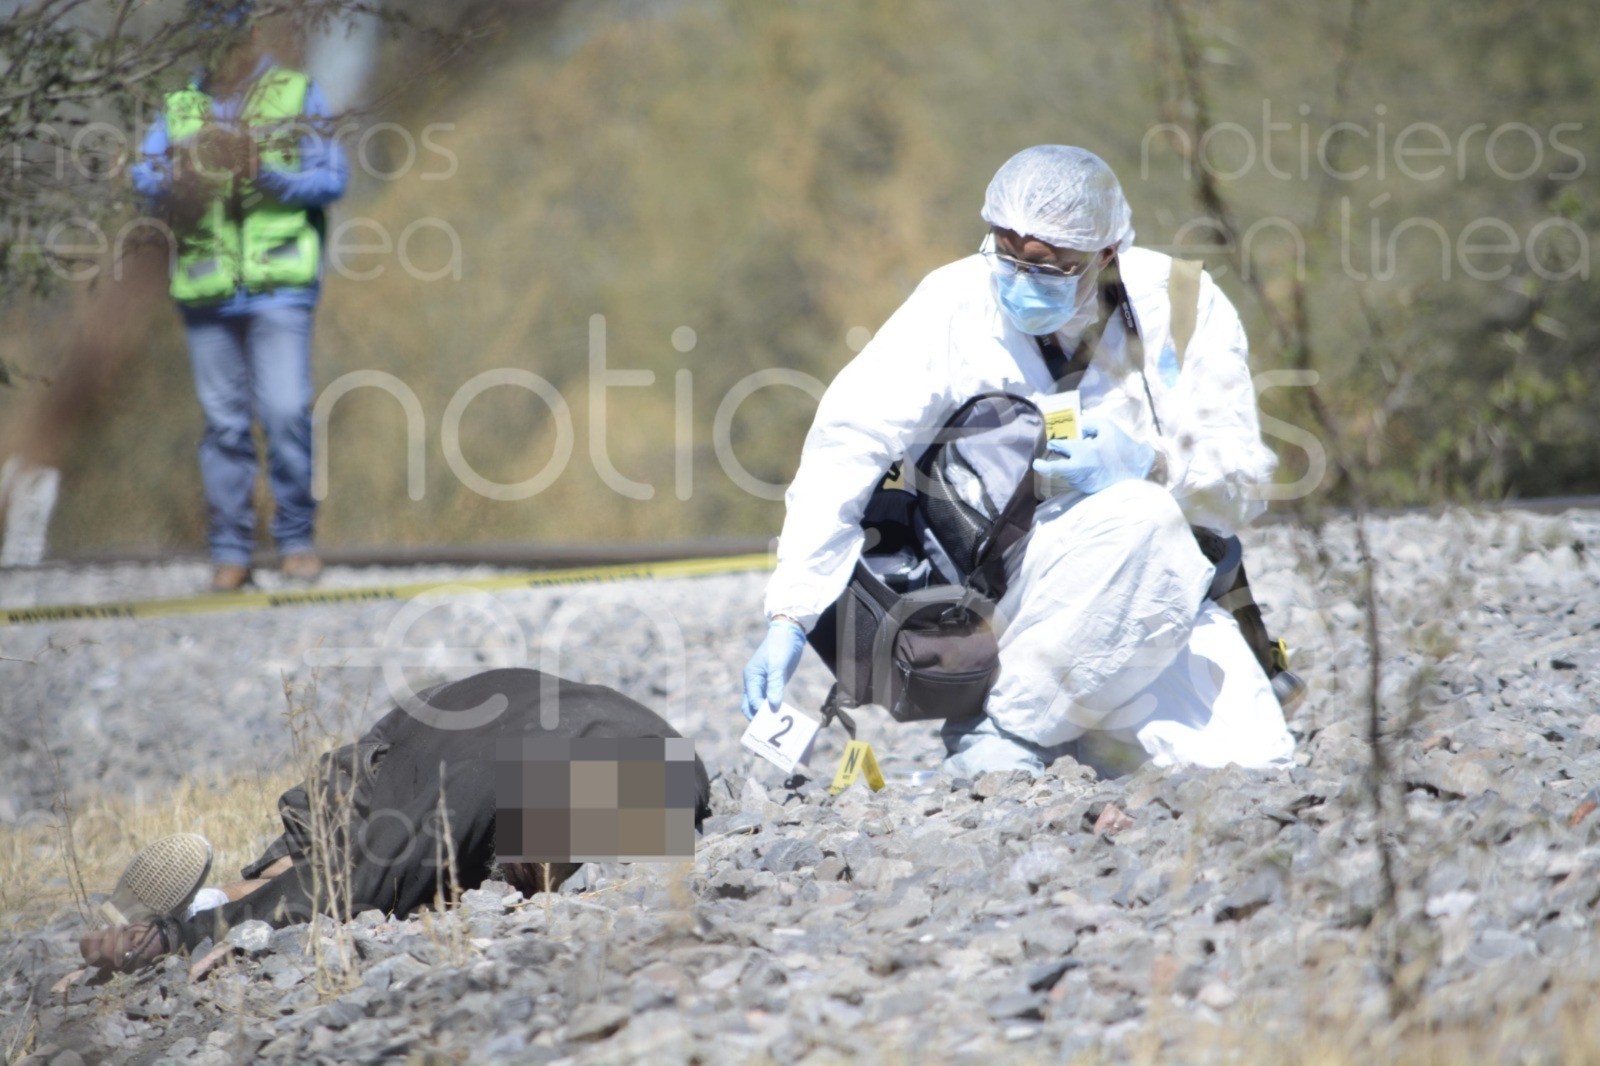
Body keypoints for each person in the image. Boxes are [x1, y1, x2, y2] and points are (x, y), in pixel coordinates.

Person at [741, 145, 1296, 778]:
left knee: (1255, 763)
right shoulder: (953, 301)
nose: (1021, 279)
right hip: (1004, 594)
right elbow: (847, 443)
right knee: (1142, 517)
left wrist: (1152, 464)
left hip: (1155, 590)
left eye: (1049, 266)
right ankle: (1004, 732)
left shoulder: (1185, 303)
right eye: (1006, 254)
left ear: (1107, 253)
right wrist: (791, 612)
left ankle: (1057, 733)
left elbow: (1244, 480)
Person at [79, 669, 712, 973]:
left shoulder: (664, 781)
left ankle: (216, 895)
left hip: (529, 734)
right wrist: (180, 933)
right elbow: (359, 880)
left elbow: (362, 879)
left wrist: (177, 936)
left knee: (408, 872)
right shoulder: (467, 777)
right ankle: (214, 897)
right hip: (661, 768)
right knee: (357, 862)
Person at [130, 3, 348, 591]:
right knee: (224, 425)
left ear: (250, 35)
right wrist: (178, 177)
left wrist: (266, 174)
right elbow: (143, 177)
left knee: (285, 411)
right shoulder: (182, 105)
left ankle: (296, 540)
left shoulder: (296, 93)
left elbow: (332, 177)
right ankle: (231, 552)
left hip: (281, 287)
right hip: (206, 291)